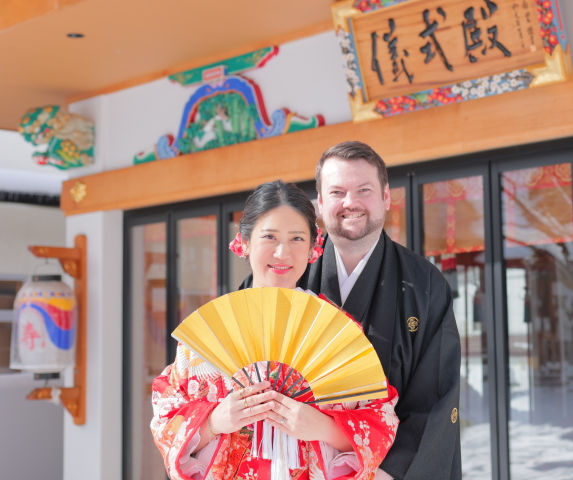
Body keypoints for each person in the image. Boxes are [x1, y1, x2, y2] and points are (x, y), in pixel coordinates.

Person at [152, 180, 399, 480]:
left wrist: (323, 427)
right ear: (243, 242)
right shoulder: (209, 334)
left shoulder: (335, 330)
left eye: (297, 239)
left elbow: (379, 420)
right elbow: (166, 415)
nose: (283, 253)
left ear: (313, 247)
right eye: (269, 236)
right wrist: (214, 423)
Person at [305, 141, 462, 479]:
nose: (351, 203)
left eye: (364, 190)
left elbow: (434, 398)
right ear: (320, 203)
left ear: (386, 197)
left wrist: (386, 472)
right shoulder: (292, 275)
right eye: (336, 192)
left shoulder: (425, 284)